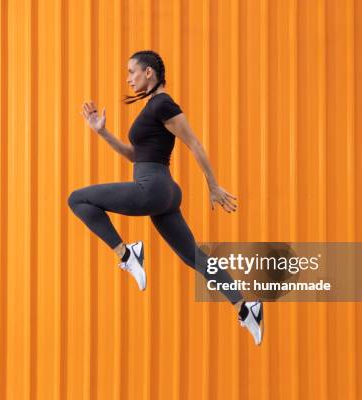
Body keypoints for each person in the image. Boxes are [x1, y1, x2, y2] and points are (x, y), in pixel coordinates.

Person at [68, 50, 263, 345]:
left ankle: (126, 253)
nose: (128, 78)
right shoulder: (153, 107)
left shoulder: (162, 103)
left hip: (155, 188)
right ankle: (245, 307)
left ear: (149, 73)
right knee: (194, 257)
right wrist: (103, 132)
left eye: (131, 71)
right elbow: (136, 156)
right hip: (163, 190)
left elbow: (194, 143)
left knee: (77, 199)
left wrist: (213, 185)